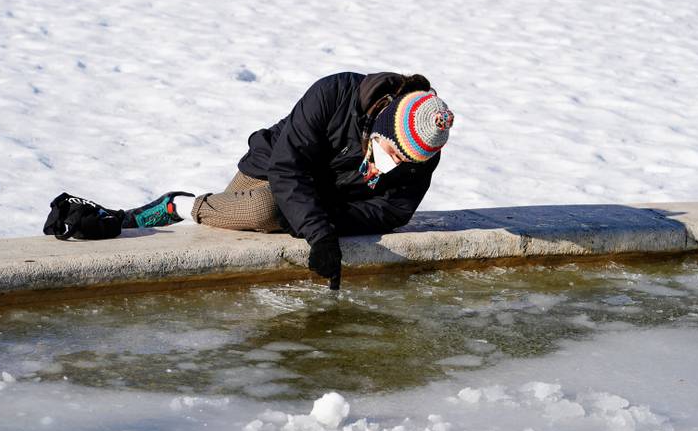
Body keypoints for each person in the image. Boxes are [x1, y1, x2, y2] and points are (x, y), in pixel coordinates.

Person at [125, 72, 454, 289]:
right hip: (270, 171)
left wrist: (325, 221)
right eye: (392, 153)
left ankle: (285, 213)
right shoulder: (334, 93)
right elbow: (287, 168)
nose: (395, 165)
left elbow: (392, 210)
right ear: (382, 125)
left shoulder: (422, 150)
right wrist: (318, 230)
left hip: (325, 200)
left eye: (405, 162)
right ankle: (178, 205)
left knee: (280, 215)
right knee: (267, 209)